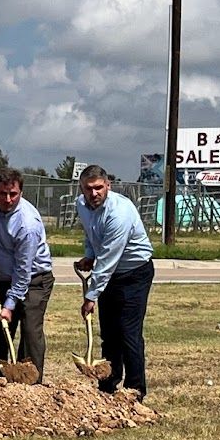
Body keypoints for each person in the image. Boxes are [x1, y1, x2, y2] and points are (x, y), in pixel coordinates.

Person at [74, 165, 155, 398]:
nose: (94, 193)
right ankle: (108, 385)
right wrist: (90, 254)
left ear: (108, 185)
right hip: (110, 274)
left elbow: (109, 257)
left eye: (99, 187)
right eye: (89, 189)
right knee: (109, 333)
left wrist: (91, 295)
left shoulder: (120, 212)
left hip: (134, 273)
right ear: (82, 188)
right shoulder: (82, 205)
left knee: (128, 332)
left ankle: (135, 390)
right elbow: (91, 234)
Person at [0, 168, 55, 383]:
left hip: (35, 279)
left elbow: (23, 272)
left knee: (30, 330)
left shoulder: (27, 225)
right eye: (2, 193)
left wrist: (9, 305)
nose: (8, 199)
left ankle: (30, 386)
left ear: (21, 193)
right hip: (1, 279)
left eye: (13, 194)